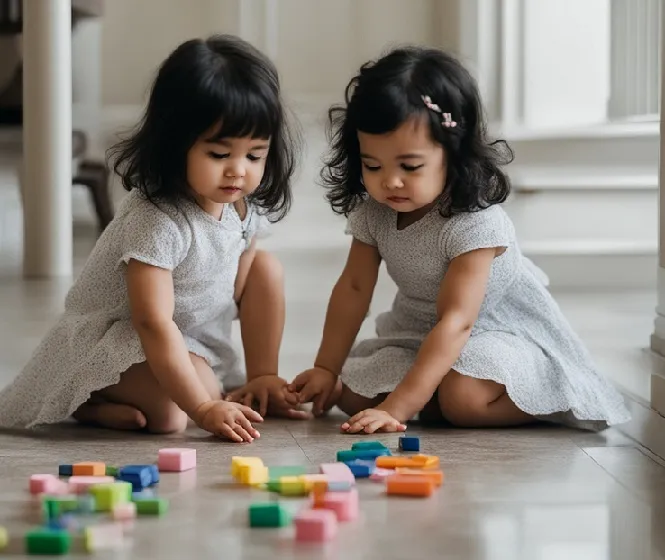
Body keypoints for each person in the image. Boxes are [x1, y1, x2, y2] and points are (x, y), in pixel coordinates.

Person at [289, 45, 631, 434]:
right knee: (352, 395)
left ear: (453, 153)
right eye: (372, 165)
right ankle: (433, 390)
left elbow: (458, 320)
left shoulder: (474, 225)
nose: (390, 181)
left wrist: (399, 407)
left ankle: (541, 397)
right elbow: (353, 289)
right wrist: (325, 367)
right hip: (415, 332)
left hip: (491, 331)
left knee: (463, 401)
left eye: (410, 166)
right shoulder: (376, 213)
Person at [0, 34, 307, 442]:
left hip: (189, 338)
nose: (238, 171)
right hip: (121, 339)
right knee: (173, 416)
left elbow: (239, 280)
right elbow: (151, 321)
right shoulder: (157, 219)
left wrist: (245, 375)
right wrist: (202, 405)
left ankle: (262, 376)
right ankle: (88, 400)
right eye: (219, 155)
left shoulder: (242, 204)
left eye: (254, 156)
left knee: (266, 268)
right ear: (174, 144)